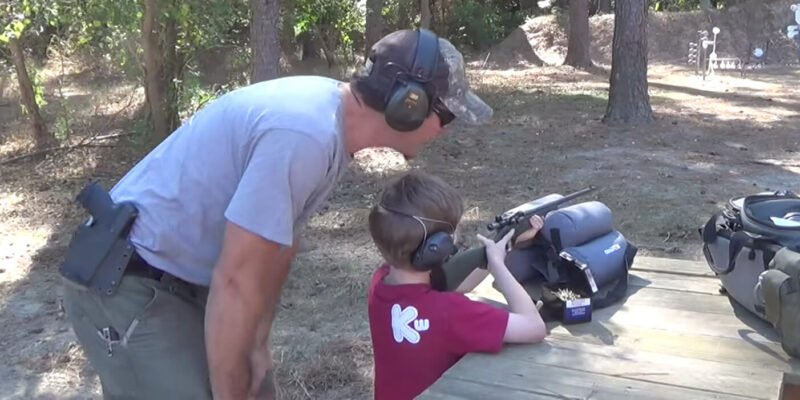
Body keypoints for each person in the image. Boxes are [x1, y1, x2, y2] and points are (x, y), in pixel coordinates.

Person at [60, 28, 493, 400]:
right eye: (447, 113)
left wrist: (257, 341)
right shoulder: (304, 134)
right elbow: (235, 280)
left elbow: (281, 244)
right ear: (409, 104)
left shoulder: (331, 131)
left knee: (253, 381)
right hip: (126, 284)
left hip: (179, 281)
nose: (448, 127)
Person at [367, 172, 548, 400]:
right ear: (438, 248)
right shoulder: (449, 311)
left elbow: (452, 283)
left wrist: (504, 245)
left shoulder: (381, 282)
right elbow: (534, 327)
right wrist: (498, 266)